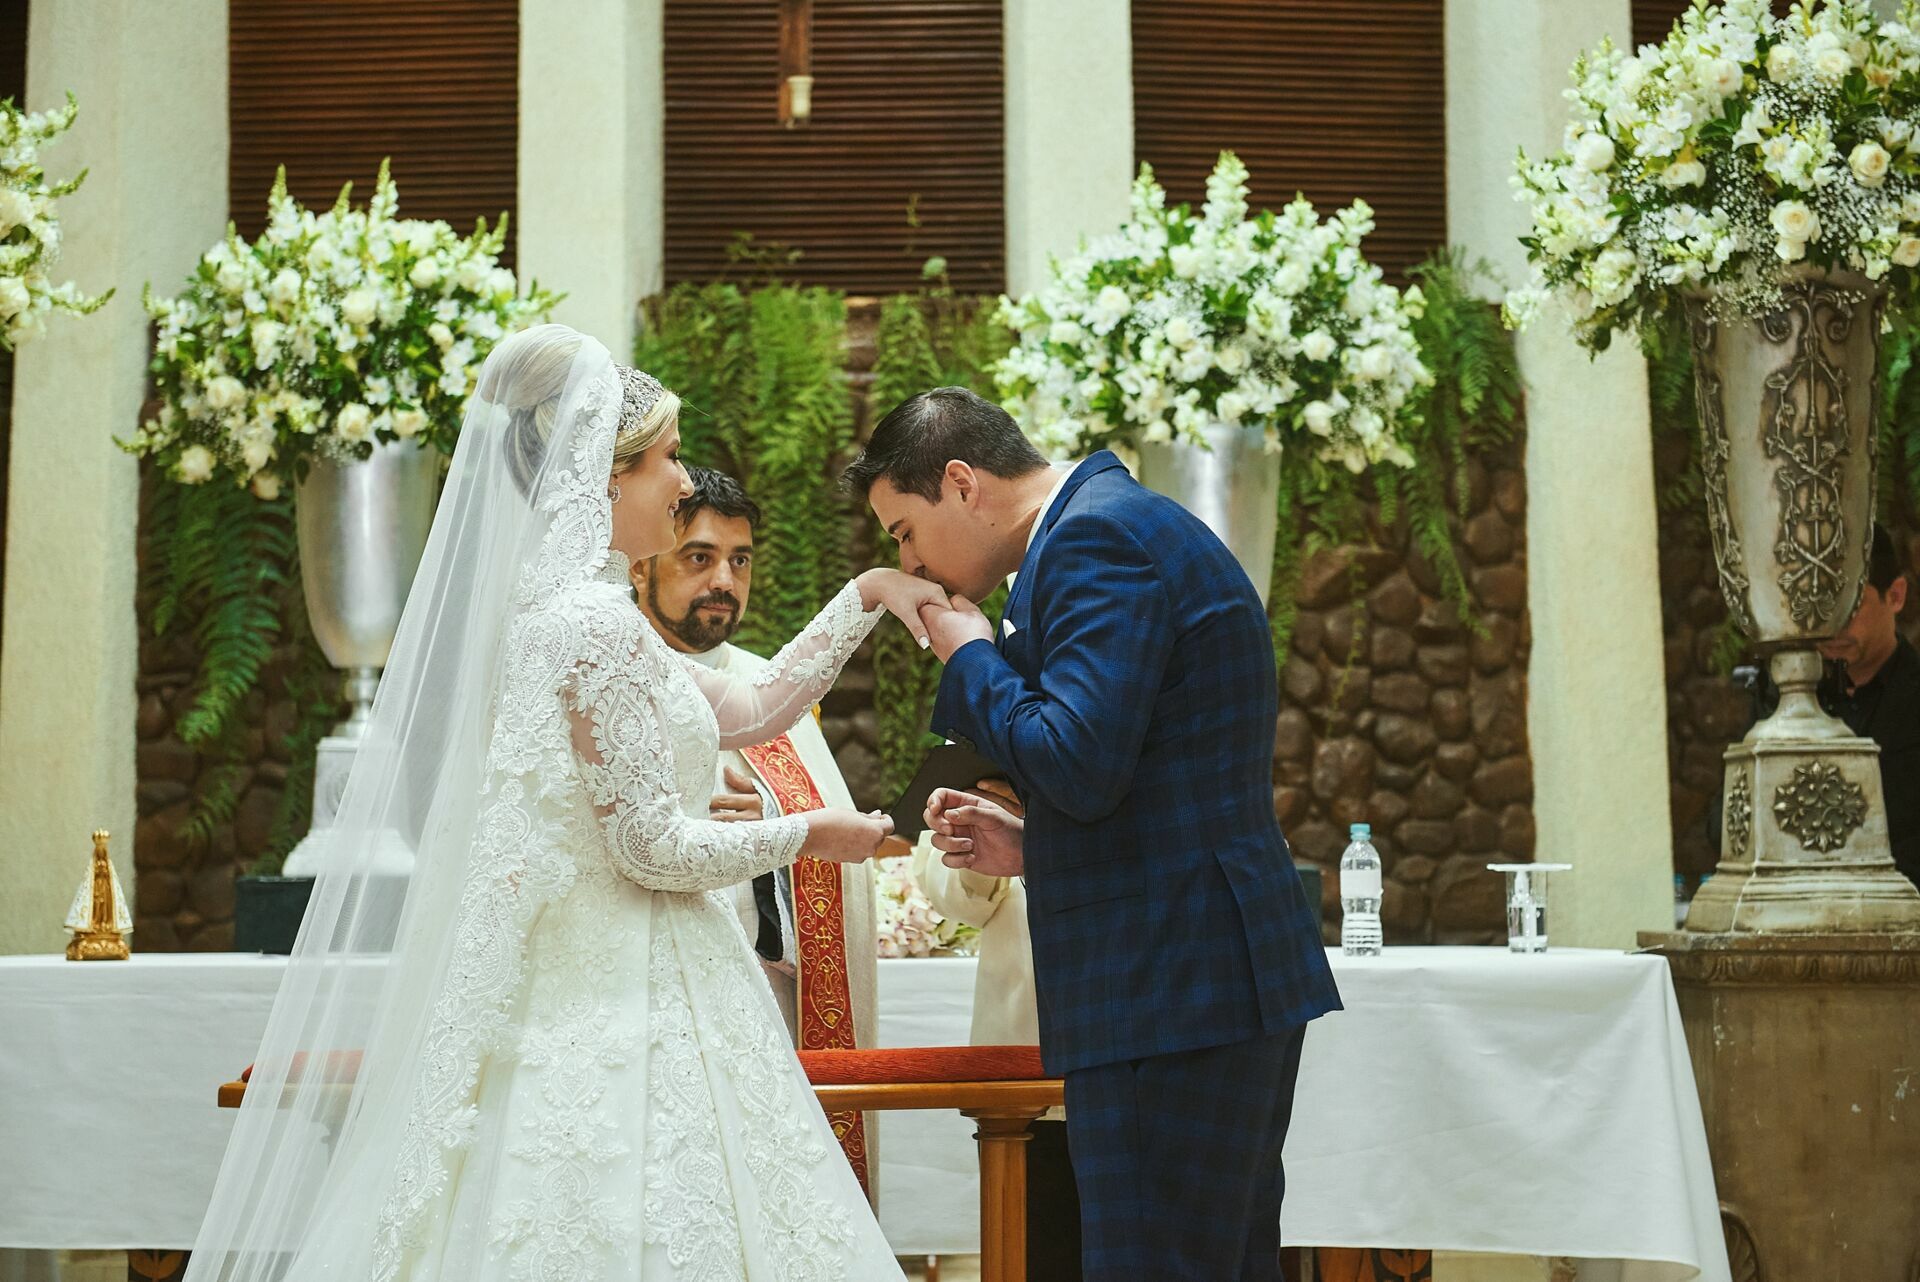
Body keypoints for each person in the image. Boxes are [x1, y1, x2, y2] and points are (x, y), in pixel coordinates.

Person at [185, 325, 944, 1282]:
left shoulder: (563, 612)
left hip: (587, 967)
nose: (681, 481)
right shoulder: (594, 625)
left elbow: (754, 705)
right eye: (666, 459)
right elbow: (651, 849)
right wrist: (812, 835)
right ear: (607, 473)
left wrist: (870, 592)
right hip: (624, 985)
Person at [844, 386, 1341, 1282]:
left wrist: (970, 653)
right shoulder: (1104, 528)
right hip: (1192, 973)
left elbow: (1076, 759)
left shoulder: (1092, 540)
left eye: (904, 531)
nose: (913, 564)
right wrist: (1036, 850)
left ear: (961, 482)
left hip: (1171, 983)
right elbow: (1145, 773)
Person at [630, 464, 883, 1190]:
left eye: (739, 560)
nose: (724, 581)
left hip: (768, 1010)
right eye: (699, 557)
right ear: (642, 562)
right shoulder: (612, 676)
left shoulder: (768, 682)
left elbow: (823, 856)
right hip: (650, 1005)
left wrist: (778, 835)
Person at [910, 775, 1081, 1281]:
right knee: (1041, 1247)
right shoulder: (989, 739)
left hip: (1147, 1029)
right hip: (1030, 1034)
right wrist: (978, 837)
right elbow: (955, 899)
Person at [1815, 525, 1920, 887]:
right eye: (1819, 605)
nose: (1831, 625)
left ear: (1896, 595)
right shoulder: (1787, 696)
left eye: (1849, 605)